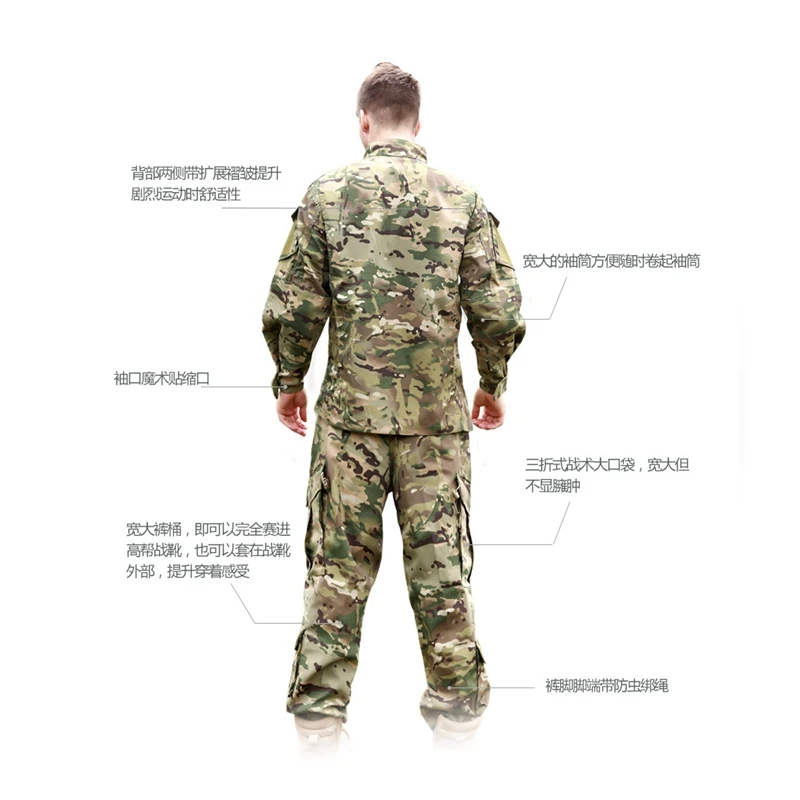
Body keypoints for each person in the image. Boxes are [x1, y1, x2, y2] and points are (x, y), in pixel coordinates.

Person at [261, 62, 525, 753]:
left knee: (335, 576)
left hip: (349, 424)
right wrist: (493, 382)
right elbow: (498, 308)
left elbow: (295, 302)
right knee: (442, 577)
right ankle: (458, 733)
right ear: (418, 122)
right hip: (437, 427)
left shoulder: (327, 195)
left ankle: (318, 732)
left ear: (364, 122)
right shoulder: (462, 199)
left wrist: (289, 378)